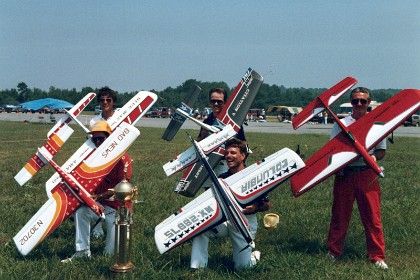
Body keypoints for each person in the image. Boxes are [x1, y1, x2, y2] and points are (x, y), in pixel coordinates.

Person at [327, 87, 388, 270]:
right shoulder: (341, 123)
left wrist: (373, 158)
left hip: (367, 174)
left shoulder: (376, 123)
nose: (359, 104)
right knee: (339, 215)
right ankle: (333, 252)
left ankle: (377, 256)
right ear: (351, 103)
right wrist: (339, 168)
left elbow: (381, 150)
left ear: (369, 103)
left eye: (363, 101)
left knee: (373, 217)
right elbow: (332, 149)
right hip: (345, 175)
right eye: (355, 101)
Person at [190, 138, 270, 270]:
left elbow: (266, 205)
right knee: (201, 228)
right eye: (226, 153)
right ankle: (197, 267)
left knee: (243, 267)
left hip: (245, 221)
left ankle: (254, 256)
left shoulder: (253, 175)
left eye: (233, 153)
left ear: (243, 156)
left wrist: (254, 208)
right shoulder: (222, 178)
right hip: (225, 219)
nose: (228, 156)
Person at [62, 121, 132, 262]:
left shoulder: (123, 159)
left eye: (101, 138)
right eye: (94, 139)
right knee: (81, 212)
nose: (98, 142)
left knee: (110, 256)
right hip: (99, 205)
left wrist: (99, 196)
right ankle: (82, 252)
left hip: (117, 208)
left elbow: (121, 189)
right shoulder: (90, 158)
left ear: (110, 138)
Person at [89, 86, 118, 238]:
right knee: (97, 187)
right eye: (102, 100)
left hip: (115, 158)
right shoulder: (94, 120)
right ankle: (97, 225)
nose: (105, 102)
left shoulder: (120, 117)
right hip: (98, 158)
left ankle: (115, 219)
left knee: (114, 188)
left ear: (113, 102)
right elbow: (92, 141)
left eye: (108, 100)